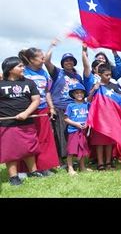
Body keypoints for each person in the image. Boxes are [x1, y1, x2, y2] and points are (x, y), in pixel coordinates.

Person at [0, 57, 43, 186]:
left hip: (27, 121)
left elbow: (36, 100)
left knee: (28, 148)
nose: (23, 68)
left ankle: (33, 172)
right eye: (20, 66)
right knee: (10, 151)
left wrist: (26, 113)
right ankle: (13, 177)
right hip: (7, 124)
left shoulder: (29, 83)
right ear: (10, 69)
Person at [17, 47, 60, 176]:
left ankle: (43, 167)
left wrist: (51, 107)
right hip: (26, 110)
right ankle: (23, 169)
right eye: (41, 58)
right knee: (26, 139)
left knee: (44, 139)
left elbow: (47, 91)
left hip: (42, 109)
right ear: (30, 60)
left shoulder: (44, 73)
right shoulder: (22, 72)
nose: (43, 60)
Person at [44, 39, 84, 165]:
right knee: (60, 134)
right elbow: (46, 61)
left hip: (73, 108)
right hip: (59, 107)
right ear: (62, 63)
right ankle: (62, 160)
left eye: (71, 60)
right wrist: (52, 46)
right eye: (66, 60)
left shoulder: (77, 77)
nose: (69, 62)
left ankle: (72, 158)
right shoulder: (57, 72)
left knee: (72, 134)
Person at [88, 63, 121, 170]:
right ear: (99, 75)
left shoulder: (113, 86)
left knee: (109, 142)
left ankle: (108, 163)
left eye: (110, 75)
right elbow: (89, 100)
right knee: (99, 143)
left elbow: (120, 98)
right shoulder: (96, 86)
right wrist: (94, 89)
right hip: (99, 119)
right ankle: (100, 163)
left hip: (111, 118)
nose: (109, 77)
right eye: (106, 75)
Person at [64, 83, 92, 175]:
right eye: (77, 93)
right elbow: (66, 118)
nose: (79, 94)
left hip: (83, 131)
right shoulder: (70, 106)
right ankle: (70, 168)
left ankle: (82, 167)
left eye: (81, 93)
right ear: (73, 94)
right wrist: (76, 124)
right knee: (71, 150)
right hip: (73, 131)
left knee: (82, 149)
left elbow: (90, 117)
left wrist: (87, 124)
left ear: (84, 94)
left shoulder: (87, 105)